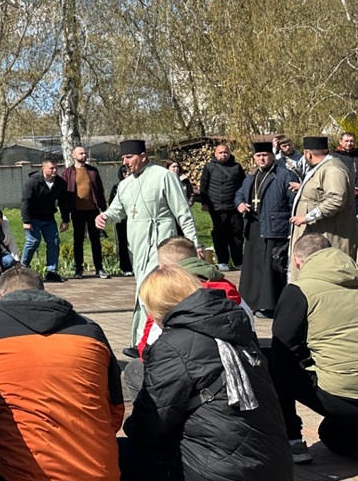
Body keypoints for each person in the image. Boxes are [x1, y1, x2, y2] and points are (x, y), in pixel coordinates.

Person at [119, 266, 294, 481]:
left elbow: (150, 425)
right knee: (138, 372)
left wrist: (134, 429)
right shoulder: (237, 329)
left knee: (115, 453)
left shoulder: (174, 345)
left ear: (156, 307)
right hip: (277, 478)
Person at [0, 267, 123, 481]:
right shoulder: (90, 329)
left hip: (21, 480)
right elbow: (115, 409)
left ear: (0, 297)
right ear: (43, 293)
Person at [95, 139, 199, 351]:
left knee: (153, 288)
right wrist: (104, 216)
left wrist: (194, 246)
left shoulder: (164, 177)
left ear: (143, 156)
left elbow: (183, 213)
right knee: (143, 288)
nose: (126, 162)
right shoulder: (125, 184)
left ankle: (147, 341)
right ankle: (141, 340)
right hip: (137, 244)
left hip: (160, 240)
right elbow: (118, 210)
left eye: (129, 157)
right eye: (123, 158)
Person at [270, 234, 358, 462]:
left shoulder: (300, 290)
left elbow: (285, 347)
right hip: (345, 396)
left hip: (340, 395)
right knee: (333, 436)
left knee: (273, 361)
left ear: (298, 262)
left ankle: (293, 441)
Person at [136, 237, 253, 359]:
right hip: (237, 362)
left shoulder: (168, 293)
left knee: (135, 368)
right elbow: (250, 325)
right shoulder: (227, 287)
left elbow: (147, 345)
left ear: (165, 267)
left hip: (185, 364)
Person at [235, 141, 296, 315]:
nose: (262, 159)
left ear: (272, 156)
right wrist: (239, 204)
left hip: (275, 227)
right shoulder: (250, 177)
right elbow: (239, 194)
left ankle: (270, 306)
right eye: (258, 156)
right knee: (253, 268)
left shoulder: (284, 175)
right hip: (254, 226)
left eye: (265, 155)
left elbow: (294, 203)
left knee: (271, 268)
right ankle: (251, 302)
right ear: (254, 158)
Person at [289, 135, 358, 267]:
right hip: (319, 234)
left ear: (308, 154)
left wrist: (307, 217)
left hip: (331, 237)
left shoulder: (332, 169)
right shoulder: (321, 167)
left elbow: (336, 200)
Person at [62, 145, 108, 278]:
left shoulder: (93, 171)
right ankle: (78, 269)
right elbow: (64, 196)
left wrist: (104, 210)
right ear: (73, 155)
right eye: (81, 153)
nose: (84, 155)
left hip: (93, 210)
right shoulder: (68, 173)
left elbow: (99, 189)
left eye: (85, 153)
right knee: (78, 240)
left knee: (96, 240)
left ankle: (99, 268)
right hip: (77, 212)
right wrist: (66, 216)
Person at [198, 144, 246, 272]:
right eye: (220, 153)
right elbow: (204, 185)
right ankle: (223, 261)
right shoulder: (209, 167)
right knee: (220, 235)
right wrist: (205, 203)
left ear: (229, 153)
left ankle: (238, 261)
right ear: (215, 154)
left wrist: (242, 202)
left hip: (234, 207)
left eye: (225, 152)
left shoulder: (237, 167)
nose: (223, 155)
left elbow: (243, 185)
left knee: (236, 234)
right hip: (216, 207)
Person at [20, 158, 68, 282]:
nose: (54, 170)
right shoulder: (33, 182)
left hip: (48, 218)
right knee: (33, 242)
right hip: (33, 218)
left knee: (54, 242)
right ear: (43, 168)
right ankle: (22, 269)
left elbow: (63, 202)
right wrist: (26, 221)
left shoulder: (60, 183)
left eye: (56, 168)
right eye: (51, 168)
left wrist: (65, 219)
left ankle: (51, 272)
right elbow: (26, 202)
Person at [110, 165, 134, 277]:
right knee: (123, 243)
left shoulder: (137, 185)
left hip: (135, 219)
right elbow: (112, 204)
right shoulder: (116, 188)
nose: (127, 174)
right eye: (125, 173)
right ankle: (126, 267)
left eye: (129, 172)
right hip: (122, 221)